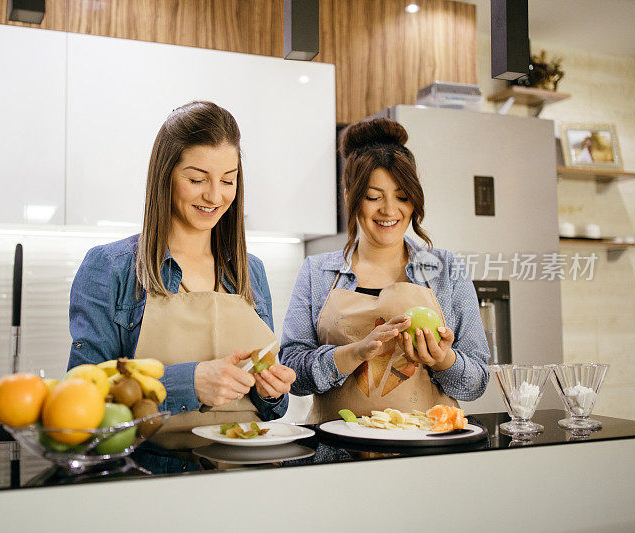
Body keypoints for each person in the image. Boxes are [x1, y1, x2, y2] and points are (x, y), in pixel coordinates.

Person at [68, 101, 296, 447]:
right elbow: (80, 398)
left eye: (228, 180)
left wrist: (273, 393)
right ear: (166, 176)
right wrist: (188, 383)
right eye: (196, 179)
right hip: (152, 479)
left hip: (247, 477)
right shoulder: (111, 267)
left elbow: (271, 411)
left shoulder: (252, 272)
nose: (214, 196)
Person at [280, 118, 489, 423]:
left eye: (402, 196)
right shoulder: (317, 272)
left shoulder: (446, 270)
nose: (390, 210)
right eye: (374, 197)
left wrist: (444, 360)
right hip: (335, 456)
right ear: (349, 194)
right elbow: (293, 375)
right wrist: (352, 354)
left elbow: (477, 383)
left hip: (425, 453)